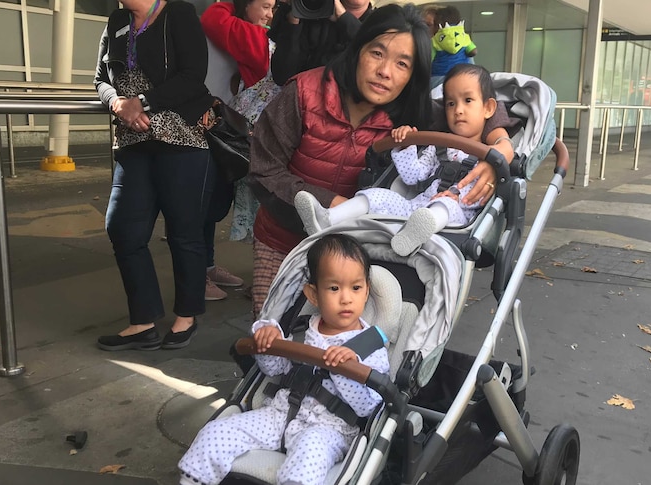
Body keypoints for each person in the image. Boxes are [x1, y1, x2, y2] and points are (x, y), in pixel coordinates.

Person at [243, 3, 434, 317]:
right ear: (358, 50)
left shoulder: (409, 116)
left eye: (403, 63)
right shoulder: (304, 92)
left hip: (351, 256)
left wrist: (497, 150)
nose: (385, 71)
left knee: (332, 349)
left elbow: (470, 113)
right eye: (377, 53)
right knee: (270, 335)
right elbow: (264, 170)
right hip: (281, 239)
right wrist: (331, 203)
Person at [177, 233, 390, 485]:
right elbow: (275, 368)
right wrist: (267, 341)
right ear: (313, 294)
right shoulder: (302, 329)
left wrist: (346, 370)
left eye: (356, 288)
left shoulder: (368, 345)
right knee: (217, 431)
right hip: (279, 414)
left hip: (329, 429)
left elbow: (370, 407)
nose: (346, 298)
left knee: (308, 456)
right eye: (334, 288)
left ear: (366, 291)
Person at [94, 0, 214, 351]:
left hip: (179, 137)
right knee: (122, 228)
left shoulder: (179, 13)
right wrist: (116, 102)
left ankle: (187, 316)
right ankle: (143, 320)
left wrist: (142, 102)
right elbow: (100, 79)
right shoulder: (117, 20)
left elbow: (194, 76)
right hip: (133, 140)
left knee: (184, 231)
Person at [295, 64, 513, 256]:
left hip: (456, 213)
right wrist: (406, 145)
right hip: (418, 208)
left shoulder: (489, 155)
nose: (458, 110)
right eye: (450, 104)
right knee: (378, 195)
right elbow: (413, 177)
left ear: (488, 108)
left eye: (467, 100)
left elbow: (482, 192)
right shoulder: (438, 147)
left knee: (443, 204)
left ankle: (413, 235)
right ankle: (328, 219)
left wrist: (455, 194)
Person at [200, 0, 276, 300]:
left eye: (274, 8)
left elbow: (213, 18)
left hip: (242, 139)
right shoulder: (268, 40)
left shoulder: (258, 40)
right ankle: (204, 268)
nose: (270, 14)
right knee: (212, 203)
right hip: (243, 139)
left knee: (211, 204)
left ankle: (207, 270)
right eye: (265, 6)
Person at [268, 0, 374, 86]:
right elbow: (282, 76)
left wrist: (344, 18)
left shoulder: (381, 26)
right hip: (293, 98)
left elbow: (371, 48)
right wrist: (294, 17)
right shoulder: (309, 11)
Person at [429, 6, 476, 88]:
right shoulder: (464, 39)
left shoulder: (434, 42)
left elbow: (426, 62)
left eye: (430, 25)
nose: (429, 29)